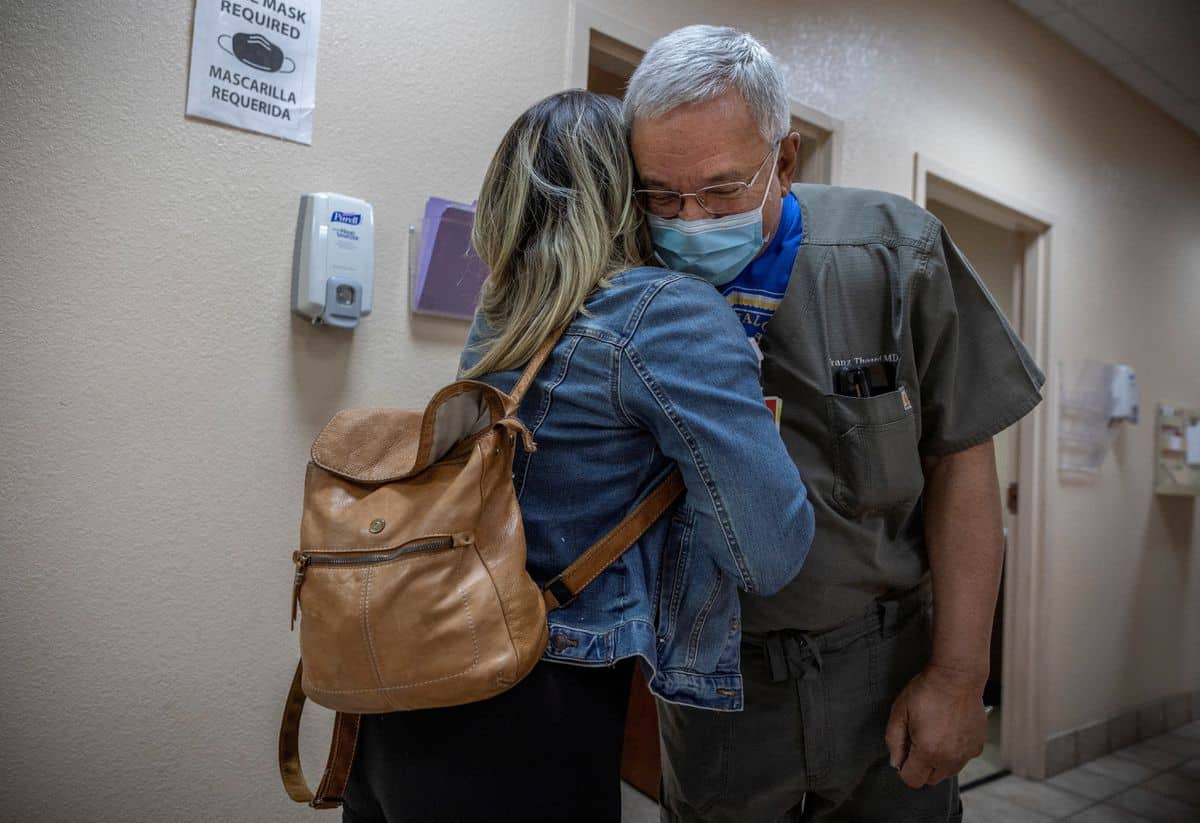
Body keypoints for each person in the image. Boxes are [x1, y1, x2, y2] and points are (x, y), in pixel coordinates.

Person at [339, 89, 816, 823]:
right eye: (661, 187)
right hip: (528, 716)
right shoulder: (665, 311)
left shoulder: (503, 309)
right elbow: (769, 552)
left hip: (409, 693)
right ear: (628, 192)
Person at [624, 26, 1045, 822]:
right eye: (661, 195)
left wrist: (960, 677)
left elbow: (963, 463)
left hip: (882, 661)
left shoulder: (891, 255)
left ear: (783, 162)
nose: (687, 220)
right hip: (717, 679)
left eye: (720, 191)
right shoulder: (632, 285)